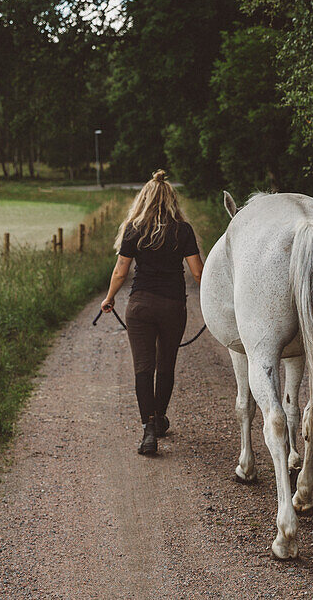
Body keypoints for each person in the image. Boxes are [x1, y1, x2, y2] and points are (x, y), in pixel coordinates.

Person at [101, 170, 204, 455]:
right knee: (166, 365)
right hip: (173, 306)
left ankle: (149, 430)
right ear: (171, 199)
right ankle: (159, 418)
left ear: (143, 198)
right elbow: (197, 272)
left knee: (143, 368)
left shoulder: (134, 228)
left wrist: (109, 298)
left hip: (140, 306)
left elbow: (121, 270)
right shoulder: (182, 230)